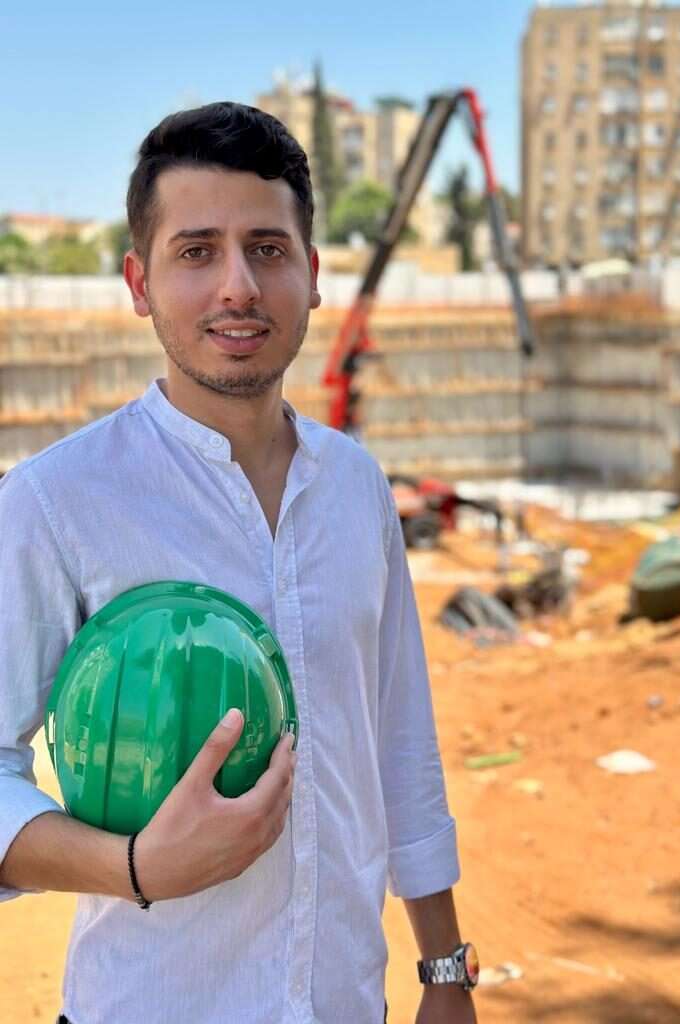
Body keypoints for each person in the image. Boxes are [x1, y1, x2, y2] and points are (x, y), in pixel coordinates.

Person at [0, 102, 477, 1024]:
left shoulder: (357, 488)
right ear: (139, 282)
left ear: (312, 274)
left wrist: (445, 969)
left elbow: (399, 743)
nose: (238, 286)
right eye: (196, 251)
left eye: (267, 248)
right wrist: (137, 868)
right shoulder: (56, 501)